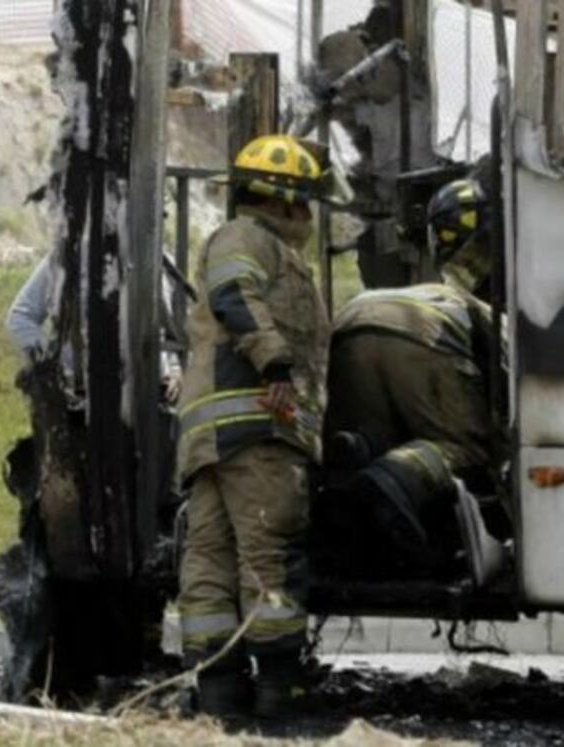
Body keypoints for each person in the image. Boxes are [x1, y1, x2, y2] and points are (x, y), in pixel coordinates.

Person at [175, 133, 345, 718]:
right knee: (267, 550)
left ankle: (219, 689)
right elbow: (232, 294)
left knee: (209, 561)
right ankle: (280, 687)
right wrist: (275, 359)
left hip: (214, 439)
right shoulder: (248, 240)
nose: (309, 217)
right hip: (258, 431)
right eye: (306, 204)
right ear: (286, 200)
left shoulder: (254, 244)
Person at [322, 177, 504, 583]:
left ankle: (353, 455)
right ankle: (391, 477)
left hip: (352, 319)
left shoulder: (433, 285)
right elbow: (502, 384)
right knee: (462, 446)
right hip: (420, 332)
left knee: (382, 438)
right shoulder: (487, 314)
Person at [6, 254, 182, 401]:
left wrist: (176, 367)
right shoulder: (65, 259)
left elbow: (178, 328)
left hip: (151, 397)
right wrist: (54, 364)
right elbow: (21, 316)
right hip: (84, 398)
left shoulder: (161, 263)